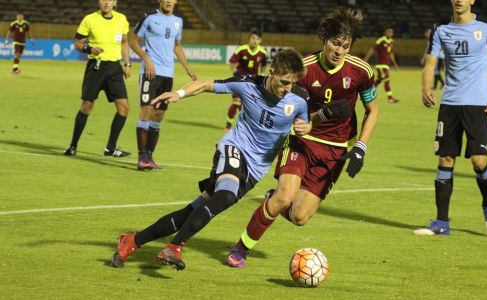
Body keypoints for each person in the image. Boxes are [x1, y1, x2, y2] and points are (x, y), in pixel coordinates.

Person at [110, 49, 350, 270]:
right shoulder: (248, 84)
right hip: (234, 149)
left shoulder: (299, 98)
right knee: (225, 195)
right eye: (284, 82)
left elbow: (305, 124)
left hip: (255, 169)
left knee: (190, 212)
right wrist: (179, 93)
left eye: (293, 84)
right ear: (272, 72)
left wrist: (312, 122)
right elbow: (206, 84)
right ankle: (174, 248)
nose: (287, 89)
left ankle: (131, 241)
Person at [226, 7, 379, 268]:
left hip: (335, 151)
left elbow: (372, 110)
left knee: (298, 217)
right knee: (284, 198)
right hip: (302, 142)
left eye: (346, 45)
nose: (339, 50)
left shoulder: (361, 71)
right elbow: (291, 111)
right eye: (335, 43)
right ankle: (240, 250)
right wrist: (307, 123)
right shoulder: (305, 68)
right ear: (325, 40)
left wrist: (361, 146)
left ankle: (270, 200)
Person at [415, 0, 487, 236]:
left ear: (472, 0)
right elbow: (430, 62)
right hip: (450, 105)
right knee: (445, 161)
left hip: (478, 106)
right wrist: (426, 87)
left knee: (479, 161)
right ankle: (442, 222)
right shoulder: (440, 28)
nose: (459, 0)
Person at [129, 0, 197, 170]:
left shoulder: (178, 22)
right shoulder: (149, 17)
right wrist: (146, 59)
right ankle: (141, 157)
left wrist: (187, 67)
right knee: (146, 110)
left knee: (158, 115)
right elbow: (132, 39)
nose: (168, 1)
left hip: (168, 75)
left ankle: (150, 157)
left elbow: (177, 46)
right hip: (150, 73)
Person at [64, 0, 132, 157]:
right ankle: (73, 146)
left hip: (115, 69)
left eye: (110, 0)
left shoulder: (121, 19)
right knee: (87, 106)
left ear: (115, 2)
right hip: (96, 67)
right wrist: (89, 49)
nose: (106, 2)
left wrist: (127, 64)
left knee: (124, 108)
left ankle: (110, 148)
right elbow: (77, 43)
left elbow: (124, 42)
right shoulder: (89, 19)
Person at [224, 28, 268, 131]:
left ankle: (244, 126)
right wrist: (234, 71)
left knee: (247, 106)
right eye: (253, 38)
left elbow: (264, 65)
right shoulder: (242, 49)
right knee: (236, 102)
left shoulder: (263, 53)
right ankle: (228, 124)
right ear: (249, 39)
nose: (254, 40)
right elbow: (231, 62)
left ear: (260, 41)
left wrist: (262, 74)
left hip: (252, 83)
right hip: (239, 80)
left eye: (257, 39)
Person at [364, 26, 399, 103]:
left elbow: (391, 54)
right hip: (381, 65)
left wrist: (395, 64)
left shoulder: (391, 42)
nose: (390, 33)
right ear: (385, 32)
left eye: (392, 32)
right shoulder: (381, 40)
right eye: (389, 31)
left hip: (386, 65)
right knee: (387, 80)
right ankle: (390, 98)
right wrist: (366, 59)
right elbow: (372, 49)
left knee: (379, 80)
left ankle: (367, 94)